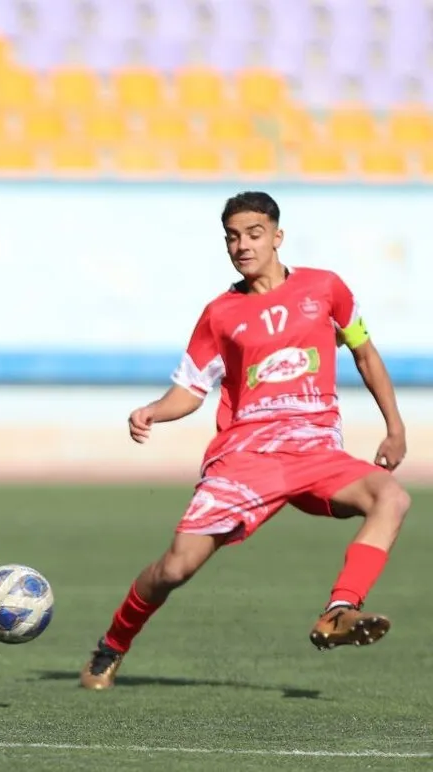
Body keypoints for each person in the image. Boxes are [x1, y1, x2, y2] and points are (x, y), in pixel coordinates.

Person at [80, 191, 411, 691]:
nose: (243, 245)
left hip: (316, 452)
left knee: (392, 497)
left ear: (278, 236)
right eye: (233, 237)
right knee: (176, 567)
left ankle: (340, 609)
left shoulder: (326, 288)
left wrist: (395, 426)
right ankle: (113, 643)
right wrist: (153, 411)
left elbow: (365, 353)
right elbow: (190, 390)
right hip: (246, 457)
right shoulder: (220, 314)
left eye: (254, 234)